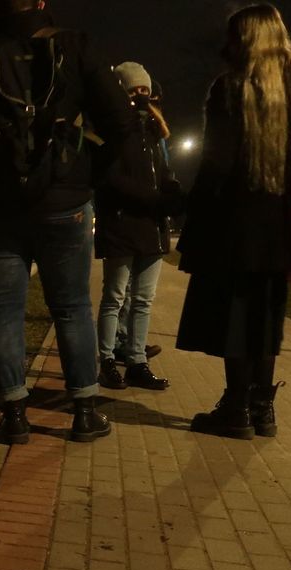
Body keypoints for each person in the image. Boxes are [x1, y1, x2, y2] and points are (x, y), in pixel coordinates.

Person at [0, 0, 135, 443]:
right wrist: (85, 175)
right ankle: (84, 412)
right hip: (65, 204)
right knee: (72, 306)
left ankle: (14, 416)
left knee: (4, 309)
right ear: (41, 3)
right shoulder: (76, 47)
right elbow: (122, 122)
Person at [175, 4, 291, 439]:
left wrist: (191, 217)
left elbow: (216, 165)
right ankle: (263, 410)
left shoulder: (229, 88)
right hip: (275, 228)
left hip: (230, 226)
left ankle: (235, 407)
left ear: (246, 39)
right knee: (264, 318)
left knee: (233, 317)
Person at [94, 62, 182, 391]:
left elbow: (164, 176)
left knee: (143, 300)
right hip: (121, 226)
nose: (141, 96)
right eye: (133, 91)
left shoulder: (154, 133)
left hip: (151, 227)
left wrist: (174, 196)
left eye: (145, 90)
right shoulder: (110, 131)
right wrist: (155, 200)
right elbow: (111, 180)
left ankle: (136, 361)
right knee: (115, 297)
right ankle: (105, 361)